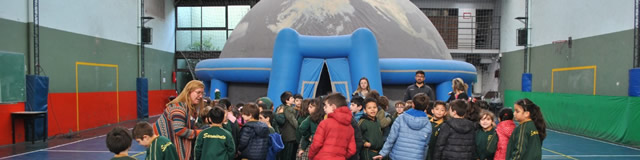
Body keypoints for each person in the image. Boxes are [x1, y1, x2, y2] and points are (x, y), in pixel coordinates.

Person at [153, 80, 204, 160]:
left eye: (202, 93)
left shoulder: (189, 109)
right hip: (168, 149)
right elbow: (179, 130)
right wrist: (198, 132)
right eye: (198, 92)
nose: (201, 96)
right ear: (188, 92)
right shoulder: (178, 108)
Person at [373, 93, 432, 160]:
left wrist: (383, 153)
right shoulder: (428, 124)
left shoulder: (400, 118)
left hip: (397, 156)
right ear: (426, 106)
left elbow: (391, 138)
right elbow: (425, 146)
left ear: (412, 104)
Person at [308, 93, 356, 160]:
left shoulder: (324, 123)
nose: (324, 108)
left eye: (326, 106)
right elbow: (352, 150)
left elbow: (316, 144)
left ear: (333, 107)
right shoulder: (350, 128)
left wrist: (310, 156)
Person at [278, 91, 299, 160]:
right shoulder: (288, 109)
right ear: (287, 100)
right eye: (292, 98)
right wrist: (299, 128)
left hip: (288, 136)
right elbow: (292, 120)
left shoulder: (287, 108)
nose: (293, 99)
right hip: (289, 136)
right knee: (287, 155)